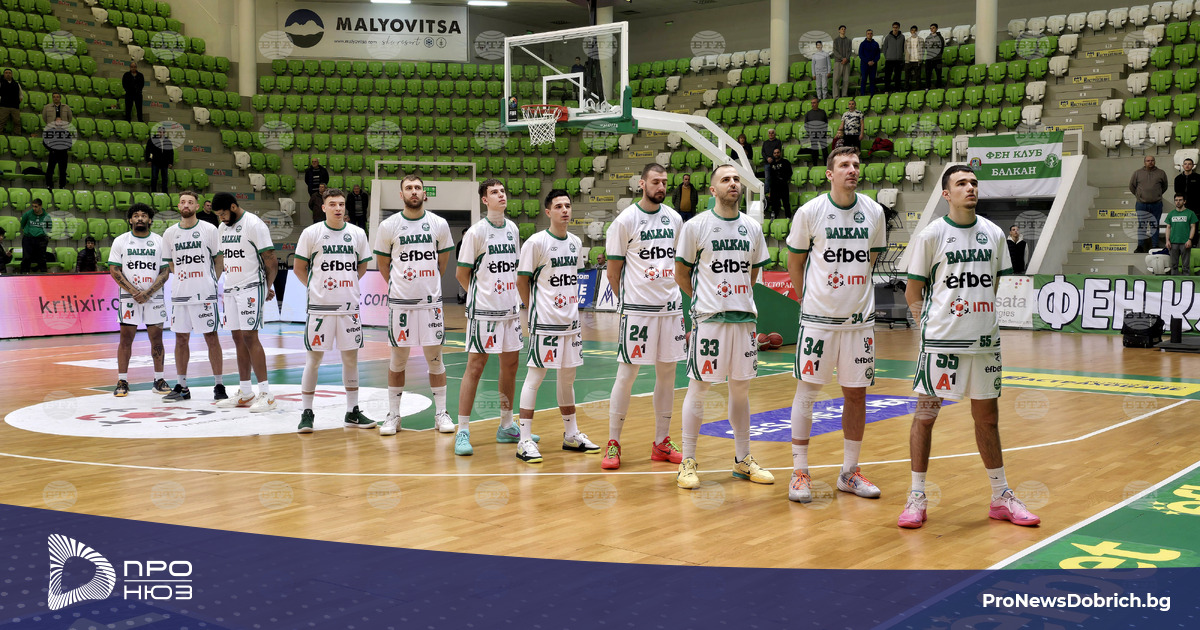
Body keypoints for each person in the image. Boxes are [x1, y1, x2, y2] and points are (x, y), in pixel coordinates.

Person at [900, 165, 1039, 530]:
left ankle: (1001, 496)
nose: (970, 187)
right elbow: (913, 291)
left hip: (984, 343)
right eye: (961, 183)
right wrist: (927, 328)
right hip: (941, 343)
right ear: (947, 194)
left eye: (974, 182)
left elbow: (993, 285)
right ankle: (916, 496)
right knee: (925, 416)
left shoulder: (993, 233)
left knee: (988, 419)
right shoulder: (932, 235)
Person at [784, 146, 887, 503]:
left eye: (856, 164)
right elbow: (795, 261)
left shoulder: (874, 211)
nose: (852, 169)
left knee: (856, 395)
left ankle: (849, 472)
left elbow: (871, 258)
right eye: (844, 165)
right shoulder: (810, 211)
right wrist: (805, 299)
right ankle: (799, 471)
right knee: (807, 392)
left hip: (858, 323)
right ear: (830, 174)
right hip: (818, 322)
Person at [674, 164, 773, 490]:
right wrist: (705, 298)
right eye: (725, 179)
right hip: (709, 320)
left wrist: (737, 297)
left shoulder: (752, 227)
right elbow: (681, 273)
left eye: (736, 179)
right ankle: (688, 461)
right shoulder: (696, 226)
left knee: (741, 390)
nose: (733, 183)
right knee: (699, 388)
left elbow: (752, 273)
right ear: (713, 190)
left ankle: (742, 459)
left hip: (744, 320)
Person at [602, 164, 686, 470]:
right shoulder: (625, 221)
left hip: (671, 309)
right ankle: (613, 442)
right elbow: (613, 273)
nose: (661, 186)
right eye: (655, 181)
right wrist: (628, 303)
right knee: (627, 375)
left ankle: (661, 442)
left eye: (664, 182)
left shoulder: (675, 219)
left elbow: (679, 263)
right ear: (642, 184)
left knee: (667, 375)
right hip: (638, 312)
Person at [453, 179, 537, 455]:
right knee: (475, 367)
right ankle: (462, 430)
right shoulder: (476, 232)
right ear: (484, 200)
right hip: (484, 313)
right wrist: (482, 297)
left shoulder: (512, 229)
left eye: (502, 191)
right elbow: (461, 273)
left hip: (510, 311)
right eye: (494, 192)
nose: (501, 195)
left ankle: (506, 425)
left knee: (510, 365)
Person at [511, 189, 592, 463]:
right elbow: (521, 281)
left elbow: (572, 279)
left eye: (567, 205)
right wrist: (533, 308)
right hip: (545, 323)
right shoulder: (536, 242)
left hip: (571, 324)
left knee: (568, 379)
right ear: (548, 212)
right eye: (558, 206)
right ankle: (524, 439)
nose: (565, 210)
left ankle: (571, 434)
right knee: (535, 378)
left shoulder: (576, 242)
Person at [373, 174, 456, 436]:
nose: (414, 192)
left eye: (418, 188)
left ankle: (441, 413)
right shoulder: (388, 226)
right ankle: (394, 415)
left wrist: (428, 283)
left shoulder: (439, 224)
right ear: (401, 195)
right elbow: (383, 265)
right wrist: (401, 286)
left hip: (430, 304)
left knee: (435, 359)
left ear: (424, 193)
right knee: (398, 360)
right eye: (408, 188)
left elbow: (442, 262)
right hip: (401, 304)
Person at [292, 187, 375, 433]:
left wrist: (348, 284)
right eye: (333, 204)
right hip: (320, 308)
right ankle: (307, 411)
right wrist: (315, 288)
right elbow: (299, 268)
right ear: (323, 207)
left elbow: (361, 267)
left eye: (341, 204)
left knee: (350, 359)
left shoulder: (357, 233)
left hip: (348, 307)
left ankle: (352, 411)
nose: (338, 208)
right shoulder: (311, 233)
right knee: (314, 360)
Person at [211, 191, 279, 412]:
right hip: (231, 288)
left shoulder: (254, 224)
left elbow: (271, 261)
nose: (221, 218)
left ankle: (267, 394)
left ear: (233, 207)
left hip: (251, 286)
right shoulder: (222, 228)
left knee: (250, 336)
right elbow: (223, 259)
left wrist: (266, 287)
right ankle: (246, 391)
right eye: (218, 215)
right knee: (237, 337)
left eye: (223, 214)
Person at [160, 190, 226, 402]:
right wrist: (182, 277)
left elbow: (218, 259)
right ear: (178, 206)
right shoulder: (170, 233)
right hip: (180, 294)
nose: (186, 205)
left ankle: (219, 384)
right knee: (181, 339)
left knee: (211, 337)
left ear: (197, 206)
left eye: (190, 202)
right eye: (182, 202)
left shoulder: (209, 229)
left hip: (204, 293)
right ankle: (182, 386)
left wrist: (212, 281)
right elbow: (171, 263)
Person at [107, 202, 171, 397]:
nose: (140, 218)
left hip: (154, 297)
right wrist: (134, 291)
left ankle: (159, 379)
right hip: (129, 297)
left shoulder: (159, 241)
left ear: (150, 220)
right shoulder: (121, 241)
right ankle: (122, 380)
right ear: (130, 220)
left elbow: (165, 271)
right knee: (125, 339)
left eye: (144, 215)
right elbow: (114, 269)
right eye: (136, 215)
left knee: (157, 339)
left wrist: (148, 292)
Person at [1129, 155, 1169, 252]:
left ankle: (1155, 246)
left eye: (1152, 160)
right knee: (1142, 225)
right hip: (1141, 204)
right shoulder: (1137, 173)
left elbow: (1165, 186)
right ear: (1144, 162)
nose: (1150, 162)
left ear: (1155, 161)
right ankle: (1140, 246)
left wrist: (1157, 195)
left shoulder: (1161, 173)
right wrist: (1139, 195)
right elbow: (1132, 186)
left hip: (1156, 204)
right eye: (1148, 160)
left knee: (1155, 225)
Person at [41, 92, 72, 190]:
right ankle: (49, 185)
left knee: (63, 170)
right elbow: (44, 142)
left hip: (63, 153)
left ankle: (62, 186)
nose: (56, 98)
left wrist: (64, 148)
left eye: (57, 97)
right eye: (54, 97)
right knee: (50, 169)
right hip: (53, 152)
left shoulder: (66, 132)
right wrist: (52, 149)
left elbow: (70, 143)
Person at [1164, 193, 1198, 275]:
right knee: (1173, 266)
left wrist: (1190, 239)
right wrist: (1167, 241)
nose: (1178, 202)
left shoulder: (1190, 213)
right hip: (1173, 242)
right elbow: (1168, 228)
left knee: (1186, 266)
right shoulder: (1171, 214)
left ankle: (1186, 281)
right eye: (1176, 200)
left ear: (1184, 201)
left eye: (1180, 200)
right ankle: (1174, 281)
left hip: (1185, 242)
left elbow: (1193, 227)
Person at [20, 198, 52, 274]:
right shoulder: (28, 214)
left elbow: (48, 228)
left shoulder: (47, 216)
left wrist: (41, 233)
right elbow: (22, 224)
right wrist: (28, 231)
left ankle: (43, 275)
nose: (34, 208)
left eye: (36, 206)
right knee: (26, 258)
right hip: (28, 238)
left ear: (40, 206)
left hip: (41, 239)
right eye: (33, 206)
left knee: (42, 259)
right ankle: (24, 275)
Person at [766, 147, 793, 219]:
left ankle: (788, 217)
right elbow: (770, 177)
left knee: (786, 203)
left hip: (783, 186)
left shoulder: (785, 162)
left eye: (777, 152)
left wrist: (784, 179)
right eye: (775, 153)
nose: (776, 154)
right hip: (774, 187)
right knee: (775, 204)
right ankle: (775, 218)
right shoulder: (771, 164)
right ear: (773, 154)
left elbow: (790, 173)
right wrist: (770, 191)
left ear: (780, 153)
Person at [147, 126, 175, 194]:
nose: (161, 133)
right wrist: (149, 160)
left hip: (164, 162)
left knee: (165, 178)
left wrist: (170, 162)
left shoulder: (167, 141)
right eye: (160, 132)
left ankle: (165, 192)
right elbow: (149, 151)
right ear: (157, 132)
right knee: (154, 177)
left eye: (163, 132)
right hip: (155, 161)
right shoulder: (152, 140)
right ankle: (153, 192)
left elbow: (170, 152)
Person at [879, 22, 904, 93]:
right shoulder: (888, 37)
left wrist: (901, 56)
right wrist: (887, 56)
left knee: (898, 76)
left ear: (899, 28)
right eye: (894, 27)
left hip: (898, 60)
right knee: (888, 76)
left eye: (896, 27)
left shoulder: (902, 37)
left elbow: (903, 47)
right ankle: (887, 90)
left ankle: (897, 90)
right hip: (889, 60)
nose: (895, 29)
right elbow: (884, 48)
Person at [804, 96, 830, 164]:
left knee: (824, 150)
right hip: (813, 134)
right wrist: (810, 133)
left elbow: (826, 123)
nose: (813, 104)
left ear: (818, 103)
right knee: (814, 151)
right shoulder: (808, 113)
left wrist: (824, 132)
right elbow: (806, 124)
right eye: (812, 103)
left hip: (822, 134)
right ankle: (815, 165)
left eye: (814, 103)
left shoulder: (822, 112)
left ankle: (826, 165)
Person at [0, 67, 23, 133]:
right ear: (4, 74)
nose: (8, 74)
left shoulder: (16, 84)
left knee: (17, 122)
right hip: (4, 106)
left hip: (15, 107)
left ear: (12, 75)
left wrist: (18, 101)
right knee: (1, 121)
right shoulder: (1, 83)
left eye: (9, 73)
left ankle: (17, 135)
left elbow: (21, 95)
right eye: (6, 73)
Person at [831, 26, 852, 98]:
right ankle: (836, 96)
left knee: (846, 80)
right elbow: (835, 51)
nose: (843, 30)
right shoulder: (836, 40)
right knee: (836, 80)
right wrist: (842, 58)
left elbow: (849, 51)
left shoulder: (849, 40)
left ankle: (844, 95)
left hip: (846, 62)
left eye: (844, 29)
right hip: (838, 62)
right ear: (839, 31)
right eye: (842, 29)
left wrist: (846, 59)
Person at [858, 29, 880, 96]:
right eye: (868, 33)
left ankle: (872, 94)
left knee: (872, 79)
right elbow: (861, 54)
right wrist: (867, 61)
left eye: (871, 33)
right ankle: (862, 94)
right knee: (864, 79)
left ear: (872, 35)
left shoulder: (876, 44)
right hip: (864, 65)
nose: (869, 35)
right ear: (866, 35)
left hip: (873, 65)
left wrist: (873, 61)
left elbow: (878, 55)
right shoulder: (862, 44)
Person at [923, 24, 945, 89]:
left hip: (938, 59)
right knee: (928, 74)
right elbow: (926, 47)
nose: (932, 29)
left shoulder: (940, 38)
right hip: (929, 59)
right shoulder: (927, 38)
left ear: (936, 29)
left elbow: (942, 48)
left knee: (938, 74)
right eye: (931, 28)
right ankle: (928, 87)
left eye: (933, 28)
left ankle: (938, 87)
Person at [905, 26, 923, 91]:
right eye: (912, 30)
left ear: (917, 31)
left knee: (918, 76)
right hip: (909, 60)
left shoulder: (921, 40)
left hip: (917, 60)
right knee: (907, 76)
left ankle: (918, 88)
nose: (914, 32)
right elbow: (905, 49)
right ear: (910, 31)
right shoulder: (907, 40)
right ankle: (907, 89)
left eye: (915, 30)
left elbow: (923, 49)